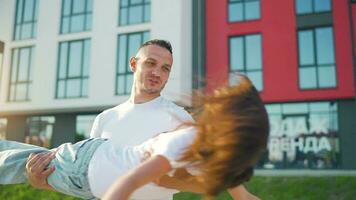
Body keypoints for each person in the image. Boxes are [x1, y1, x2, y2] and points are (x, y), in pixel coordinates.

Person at [23, 39, 259, 199]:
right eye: (151, 63)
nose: (158, 72)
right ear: (134, 64)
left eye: (166, 68)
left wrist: (243, 195)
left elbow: (214, 162)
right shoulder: (105, 119)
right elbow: (91, 181)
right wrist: (42, 182)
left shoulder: (178, 118)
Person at [0, 75, 269, 200]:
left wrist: (207, 185)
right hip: (84, 167)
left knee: (20, 157)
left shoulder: (213, 159)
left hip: (90, 182)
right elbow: (133, 179)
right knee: (17, 163)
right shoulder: (186, 139)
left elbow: (163, 180)